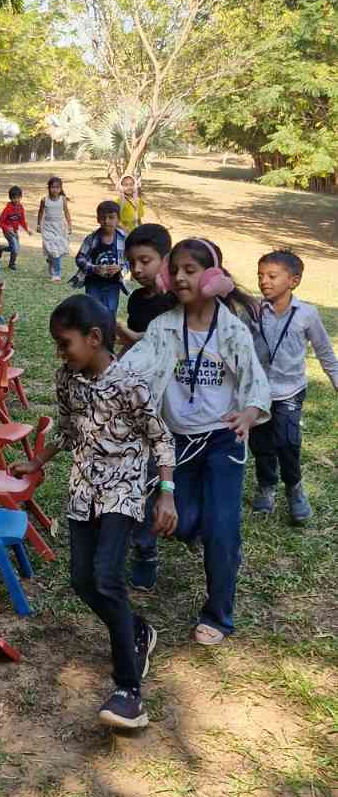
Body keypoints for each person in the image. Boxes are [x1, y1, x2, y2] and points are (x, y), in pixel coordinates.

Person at [33, 295, 176, 730]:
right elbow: (68, 426)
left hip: (123, 491)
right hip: (83, 489)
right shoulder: (67, 378)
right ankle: (136, 629)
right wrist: (38, 462)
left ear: (95, 338)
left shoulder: (131, 384)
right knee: (81, 578)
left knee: (108, 577)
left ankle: (129, 690)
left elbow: (161, 439)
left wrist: (166, 493)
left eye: (65, 343)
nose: (61, 352)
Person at [121, 237, 270, 646]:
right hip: (177, 445)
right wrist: (105, 382)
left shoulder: (232, 329)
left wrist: (250, 412)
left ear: (213, 277)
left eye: (192, 269)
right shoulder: (164, 326)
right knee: (180, 522)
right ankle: (205, 523)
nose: (182, 277)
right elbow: (131, 366)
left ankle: (218, 615)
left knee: (223, 530)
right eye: (178, 270)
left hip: (223, 441)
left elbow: (257, 383)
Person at [250, 249, 338, 526]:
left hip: (290, 391)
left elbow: (324, 352)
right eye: (260, 275)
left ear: (294, 281)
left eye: (272, 276)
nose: (265, 281)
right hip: (258, 394)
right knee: (261, 443)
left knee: (287, 442)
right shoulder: (252, 311)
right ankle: (266, 485)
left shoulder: (306, 314)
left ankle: (294, 488)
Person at [115, 224, 175, 591]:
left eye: (145, 261)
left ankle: (153, 543)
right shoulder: (138, 300)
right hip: (141, 402)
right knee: (140, 476)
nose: (137, 269)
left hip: (174, 404)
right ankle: (143, 549)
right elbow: (136, 351)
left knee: (162, 477)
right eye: (131, 262)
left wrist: (123, 332)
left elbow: (155, 345)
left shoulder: (179, 302)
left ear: (165, 259)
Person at [75, 201, 127, 316]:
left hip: (113, 284)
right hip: (93, 283)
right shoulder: (91, 239)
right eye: (103, 217)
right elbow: (80, 258)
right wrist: (93, 268)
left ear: (118, 219)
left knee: (111, 311)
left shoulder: (124, 239)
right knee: (93, 310)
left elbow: (130, 260)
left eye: (111, 217)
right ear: (98, 219)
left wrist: (120, 268)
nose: (107, 221)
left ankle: (108, 333)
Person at [38, 176, 72, 282]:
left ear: (61, 188)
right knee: (54, 251)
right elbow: (40, 212)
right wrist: (39, 224)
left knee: (59, 250)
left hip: (60, 228)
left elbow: (66, 212)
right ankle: (56, 274)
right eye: (53, 187)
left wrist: (70, 225)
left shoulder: (63, 200)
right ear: (49, 188)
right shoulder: (44, 200)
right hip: (48, 227)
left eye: (57, 187)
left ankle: (51, 259)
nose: (55, 189)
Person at [0, 186, 30, 270]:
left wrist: (27, 230)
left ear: (21, 197)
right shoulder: (7, 209)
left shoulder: (20, 208)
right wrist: (7, 228)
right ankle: (12, 264)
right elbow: (0, 222)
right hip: (7, 231)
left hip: (15, 231)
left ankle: (0, 248)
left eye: (18, 198)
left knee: (16, 248)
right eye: (14, 198)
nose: (16, 200)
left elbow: (22, 220)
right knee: (15, 248)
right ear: (10, 198)